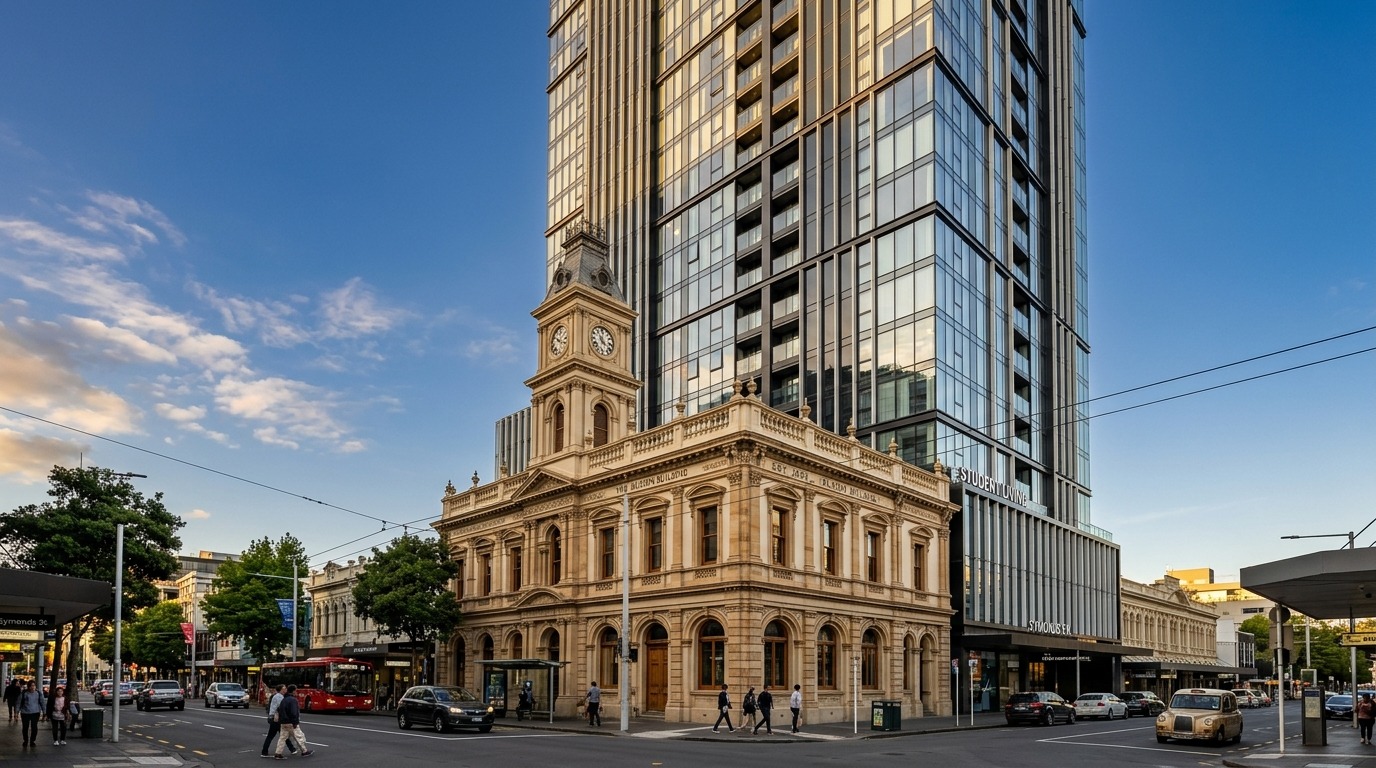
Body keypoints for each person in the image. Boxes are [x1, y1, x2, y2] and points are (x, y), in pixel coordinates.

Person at [273, 684, 312, 759]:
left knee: (282, 738)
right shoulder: (293, 700)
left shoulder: (284, 700)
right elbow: (294, 712)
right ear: (293, 691)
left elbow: (279, 710)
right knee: (299, 737)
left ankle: (278, 753)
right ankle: (304, 751)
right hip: (291, 722)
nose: (296, 692)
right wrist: (295, 722)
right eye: (296, 690)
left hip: (283, 722)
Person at [261, 684, 299, 758]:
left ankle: (292, 749)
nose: (286, 690)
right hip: (276, 719)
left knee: (283, 735)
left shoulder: (278, 696)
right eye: (284, 688)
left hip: (275, 718)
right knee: (276, 736)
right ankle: (264, 752)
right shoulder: (279, 697)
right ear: (281, 690)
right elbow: (281, 707)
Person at [18, 680, 44, 747]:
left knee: (34, 727)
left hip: (35, 713)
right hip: (25, 713)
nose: (32, 687)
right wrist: (16, 712)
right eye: (31, 686)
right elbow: (18, 703)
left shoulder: (38, 693)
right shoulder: (24, 693)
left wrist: (44, 712)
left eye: (34, 685)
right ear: (28, 687)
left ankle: (32, 740)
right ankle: (25, 740)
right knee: (25, 727)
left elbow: (42, 703)